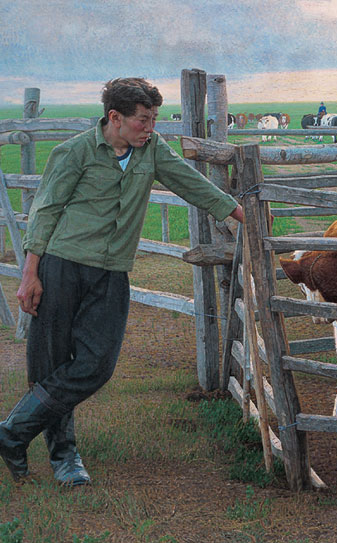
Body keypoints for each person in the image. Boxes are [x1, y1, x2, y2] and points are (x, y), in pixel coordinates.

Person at [1, 77, 245, 487]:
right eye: (143, 120)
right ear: (114, 117)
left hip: (112, 272)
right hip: (60, 266)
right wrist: (30, 274)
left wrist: (239, 212)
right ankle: (64, 457)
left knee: (97, 364)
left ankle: (11, 433)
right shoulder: (74, 152)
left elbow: (190, 183)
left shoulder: (153, 150)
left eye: (153, 119)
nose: (150, 127)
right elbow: (45, 211)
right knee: (51, 364)